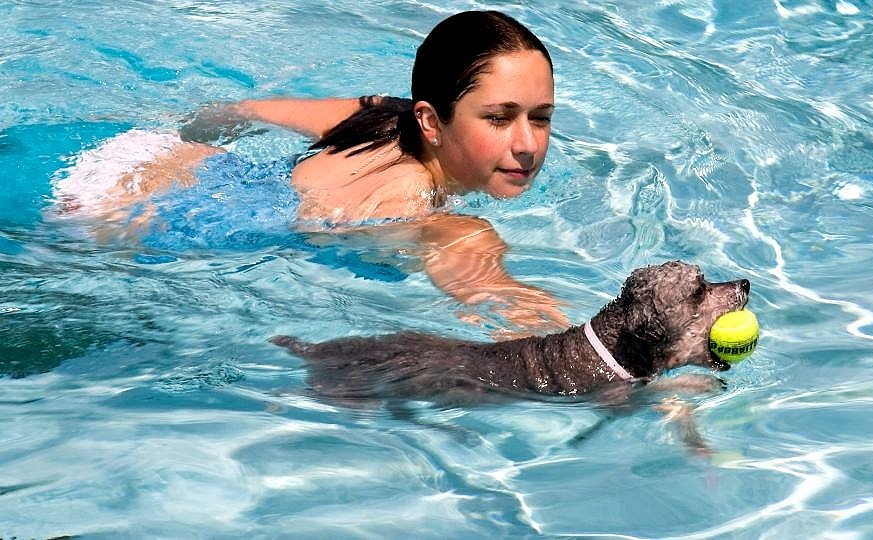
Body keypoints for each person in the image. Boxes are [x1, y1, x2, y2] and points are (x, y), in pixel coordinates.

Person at [52, 10, 568, 335]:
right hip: (137, 214)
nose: (526, 144)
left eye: (540, 118)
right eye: (498, 119)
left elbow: (240, 112)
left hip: (134, 158)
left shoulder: (382, 116)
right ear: (431, 120)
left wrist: (181, 138)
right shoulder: (441, 220)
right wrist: (626, 374)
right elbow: (509, 308)